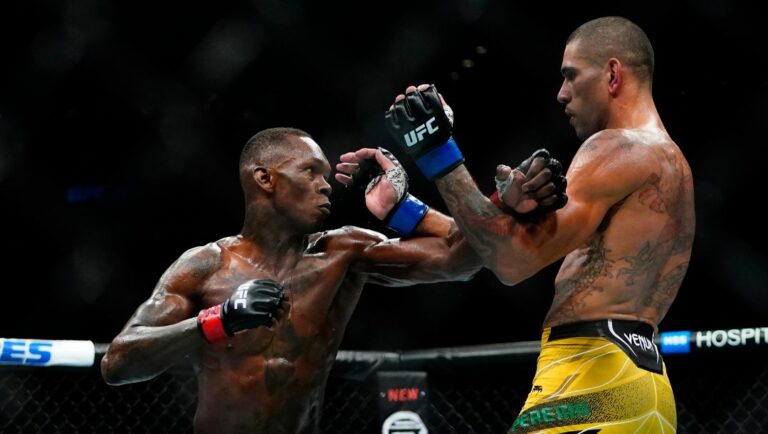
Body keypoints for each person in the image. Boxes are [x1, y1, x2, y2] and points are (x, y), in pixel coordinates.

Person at [100, 127, 563, 433]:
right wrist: (216, 322)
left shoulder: (343, 251)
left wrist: (493, 205)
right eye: (311, 173)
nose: (327, 185)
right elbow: (118, 363)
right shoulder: (205, 265)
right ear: (265, 179)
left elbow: (457, 260)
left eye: (327, 175)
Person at [375, 16, 694, 433]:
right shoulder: (671, 161)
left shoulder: (617, 147)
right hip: (638, 380)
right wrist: (406, 211)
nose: (561, 94)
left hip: (590, 376)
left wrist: (437, 152)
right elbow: (492, 243)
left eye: (571, 76)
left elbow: (512, 260)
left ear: (613, 74)